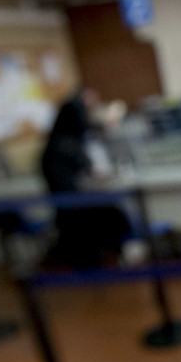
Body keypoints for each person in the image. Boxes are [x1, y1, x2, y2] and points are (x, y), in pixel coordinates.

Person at [40, 88, 132, 268]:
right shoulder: (66, 146)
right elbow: (78, 179)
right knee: (115, 214)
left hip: (69, 207)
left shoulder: (58, 141)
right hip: (74, 209)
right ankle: (115, 259)